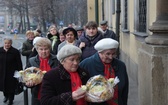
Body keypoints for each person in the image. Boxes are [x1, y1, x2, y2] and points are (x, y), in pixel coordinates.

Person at [80, 38, 129, 105]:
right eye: (107, 54)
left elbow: (124, 91)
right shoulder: (86, 64)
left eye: (113, 54)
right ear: (99, 52)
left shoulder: (121, 65)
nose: (111, 57)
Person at [26, 37, 59, 105]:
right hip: (37, 95)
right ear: (37, 49)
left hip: (54, 95)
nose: (43, 51)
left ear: (50, 49)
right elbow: (25, 76)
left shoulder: (57, 60)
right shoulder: (31, 61)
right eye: (41, 49)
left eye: (46, 49)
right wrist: (28, 83)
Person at [0, 37, 23, 105]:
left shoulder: (15, 51)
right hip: (2, 71)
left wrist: (20, 71)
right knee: (3, 85)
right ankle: (5, 96)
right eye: (6, 43)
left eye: (9, 43)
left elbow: (19, 62)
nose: (7, 44)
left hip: (12, 72)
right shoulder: (0, 50)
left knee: (11, 87)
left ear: (11, 43)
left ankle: (11, 100)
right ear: (3, 43)